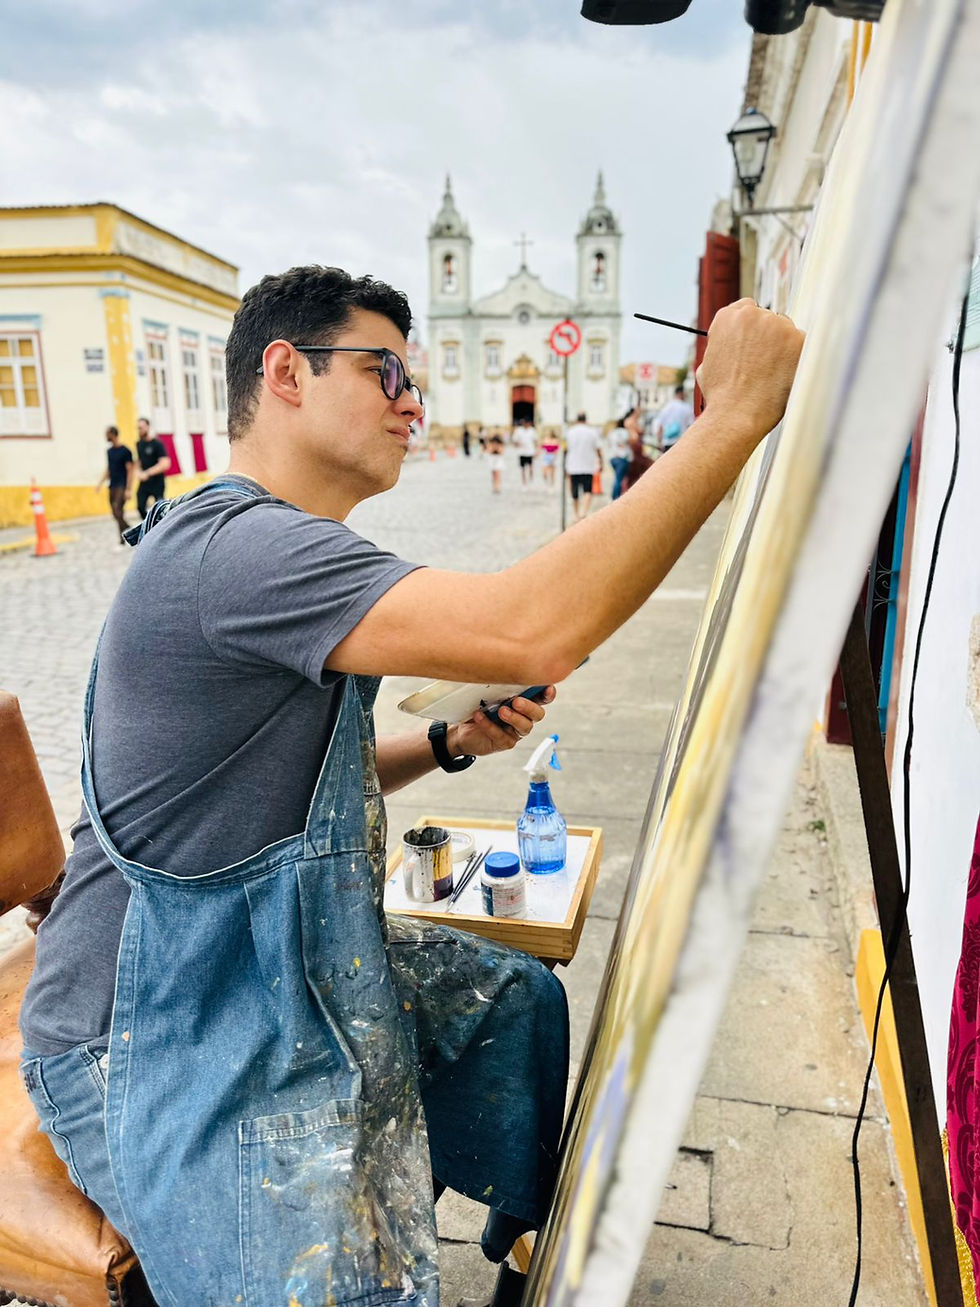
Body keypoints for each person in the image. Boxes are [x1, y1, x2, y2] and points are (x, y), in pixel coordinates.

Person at [19, 266, 803, 1307]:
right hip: (147, 1027)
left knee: (511, 999)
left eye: (415, 378)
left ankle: (513, 1249)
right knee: (339, 1280)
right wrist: (732, 417)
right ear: (286, 372)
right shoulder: (238, 548)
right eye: (382, 371)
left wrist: (447, 740)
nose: (411, 401)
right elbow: (531, 625)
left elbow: (291, 783)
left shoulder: (280, 543)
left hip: (264, 964)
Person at [95, 424, 133, 544]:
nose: (106, 436)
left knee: (118, 510)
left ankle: (123, 538)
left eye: (107, 434)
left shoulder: (125, 451)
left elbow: (130, 470)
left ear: (113, 434)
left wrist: (128, 489)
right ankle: (129, 529)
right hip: (112, 485)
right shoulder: (109, 451)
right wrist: (100, 483)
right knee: (115, 513)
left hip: (122, 485)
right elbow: (109, 469)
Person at [564, 411, 603, 522]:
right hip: (588, 465)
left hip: (573, 465)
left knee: (575, 492)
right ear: (586, 419)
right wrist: (601, 461)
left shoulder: (570, 432)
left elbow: (566, 449)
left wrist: (565, 465)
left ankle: (576, 514)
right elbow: (598, 449)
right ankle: (584, 512)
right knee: (587, 490)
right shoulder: (592, 432)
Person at [134, 417, 171, 519]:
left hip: (157, 482)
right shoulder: (139, 444)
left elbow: (165, 463)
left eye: (141, 428)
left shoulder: (157, 444)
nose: (139, 430)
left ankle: (160, 525)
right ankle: (150, 525)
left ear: (148, 427)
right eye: (138, 428)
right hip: (144, 483)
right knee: (140, 507)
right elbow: (139, 462)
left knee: (160, 510)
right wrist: (138, 472)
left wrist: (147, 473)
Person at [655, 385, 695, 453]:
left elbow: (660, 427)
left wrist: (659, 442)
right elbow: (691, 427)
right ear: (681, 393)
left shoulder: (665, 407)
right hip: (681, 443)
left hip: (667, 443)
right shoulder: (687, 408)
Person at [608, 412, 632, 501]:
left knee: (617, 477)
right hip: (622, 458)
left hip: (613, 458)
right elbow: (630, 442)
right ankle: (616, 498)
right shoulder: (625, 432)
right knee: (619, 479)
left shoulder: (612, 432)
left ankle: (615, 496)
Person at [514, 418, 537, 489]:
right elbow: (515, 441)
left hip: (530, 452)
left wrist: (536, 451)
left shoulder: (532, 430)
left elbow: (535, 441)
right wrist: (518, 444)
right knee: (523, 469)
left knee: (530, 467)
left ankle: (530, 479)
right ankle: (524, 483)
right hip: (522, 452)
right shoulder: (518, 430)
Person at [487, 428, 505, 493]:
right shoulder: (490, 443)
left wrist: (496, 448)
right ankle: (494, 486)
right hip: (492, 459)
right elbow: (489, 451)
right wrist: (493, 448)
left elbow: (501, 452)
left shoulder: (500, 444)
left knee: (497, 473)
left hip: (498, 459)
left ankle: (497, 486)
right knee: (493, 474)